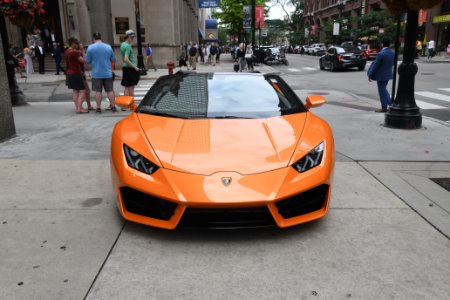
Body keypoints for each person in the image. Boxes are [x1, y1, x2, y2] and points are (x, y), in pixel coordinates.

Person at [86, 32, 117, 113]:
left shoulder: (90, 48)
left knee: (98, 91)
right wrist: (112, 70)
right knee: (110, 90)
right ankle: (113, 107)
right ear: (100, 37)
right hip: (107, 72)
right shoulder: (108, 47)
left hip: (96, 73)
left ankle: (98, 108)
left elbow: (88, 61)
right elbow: (113, 59)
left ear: (93, 38)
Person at [367, 39, 395, 113]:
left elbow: (375, 65)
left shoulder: (381, 54)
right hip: (388, 74)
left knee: (382, 91)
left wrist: (370, 75)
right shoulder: (392, 53)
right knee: (383, 90)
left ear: (382, 44)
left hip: (381, 76)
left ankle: (386, 107)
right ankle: (390, 105)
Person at [65, 37, 88, 113]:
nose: (78, 45)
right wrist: (83, 50)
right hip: (76, 73)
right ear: (72, 44)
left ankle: (78, 107)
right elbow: (84, 61)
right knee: (82, 90)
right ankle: (79, 108)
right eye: (77, 43)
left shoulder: (67, 51)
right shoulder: (74, 52)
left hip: (69, 73)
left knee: (75, 90)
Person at [120, 29, 140, 98]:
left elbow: (124, 59)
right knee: (131, 86)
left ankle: (125, 105)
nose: (133, 38)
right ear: (128, 37)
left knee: (127, 86)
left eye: (133, 37)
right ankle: (132, 104)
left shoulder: (122, 44)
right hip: (130, 68)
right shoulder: (128, 46)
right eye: (131, 37)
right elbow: (126, 58)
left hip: (125, 67)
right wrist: (135, 67)